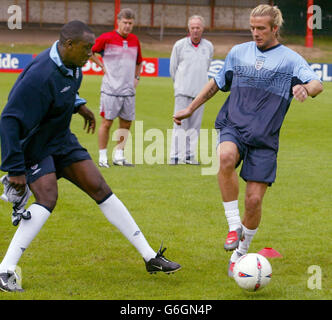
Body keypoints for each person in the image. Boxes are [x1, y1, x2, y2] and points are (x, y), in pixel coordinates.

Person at [0, 20, 181, 292]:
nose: (90, 54)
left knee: (100, 187)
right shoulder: (40, 74)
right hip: (35, 145)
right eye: (86, 48)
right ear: (68, 45)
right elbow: (9, 120)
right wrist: (15, 168)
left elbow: (63, 92)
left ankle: (150, 258)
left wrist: (78, 105)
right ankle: (5, 271)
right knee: (48, 198)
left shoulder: (74, 67)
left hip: (61, 140)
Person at [173, 5, 323, 276]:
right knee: (225, 157)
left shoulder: (290, 59)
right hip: (234, 124)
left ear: (274, 29)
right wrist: (190, 108)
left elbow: (317, 84)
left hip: (265, 138)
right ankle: (233, 225)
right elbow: (216, 83)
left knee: (253, 202)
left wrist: (304, 87)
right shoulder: (238, 53)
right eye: (252, 28)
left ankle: (240, 254)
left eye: (261, 28)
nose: (255, 33)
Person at [90, 8, 142, 167]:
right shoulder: (106, 38)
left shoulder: (135, 40)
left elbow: (139, 61)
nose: (127, 26)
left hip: (128, 90)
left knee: (126, 123)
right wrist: (101, 65)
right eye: (125, 23)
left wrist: (136, 77)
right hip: (110, 90)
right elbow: (90, 51)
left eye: (130, 23)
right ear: (118, 22)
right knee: (107, 122)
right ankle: (103, 156)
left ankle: (119, 156)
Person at [169, 15, 214, 165]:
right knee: (179, 124)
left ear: (203, 29)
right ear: (188, 29)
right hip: (182, 91)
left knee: (195, 126)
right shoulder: (179, 45)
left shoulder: (208, 46)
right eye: (193, 28)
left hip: (200, 93)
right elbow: (173, 68)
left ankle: (189, 155)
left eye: (198, 28)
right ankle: (175, 155)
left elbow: (207, 67)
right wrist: (179, 85)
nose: (195, 30)